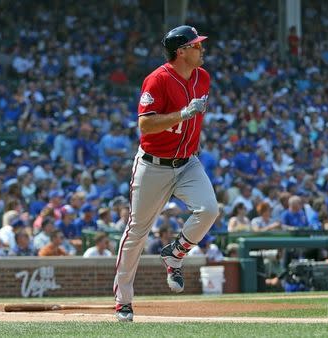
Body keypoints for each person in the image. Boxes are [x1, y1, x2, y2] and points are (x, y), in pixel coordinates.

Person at [114, 25, 219, 322]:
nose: (202, 49)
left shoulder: (203, 77)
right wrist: (184, 113)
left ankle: (175, 253)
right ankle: (123, 301)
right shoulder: (157, 80)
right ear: (181, 51)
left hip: (187, 162)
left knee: (209, 209)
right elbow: (145, 125)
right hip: (153, 165)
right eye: (196, 45)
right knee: (137, 232)